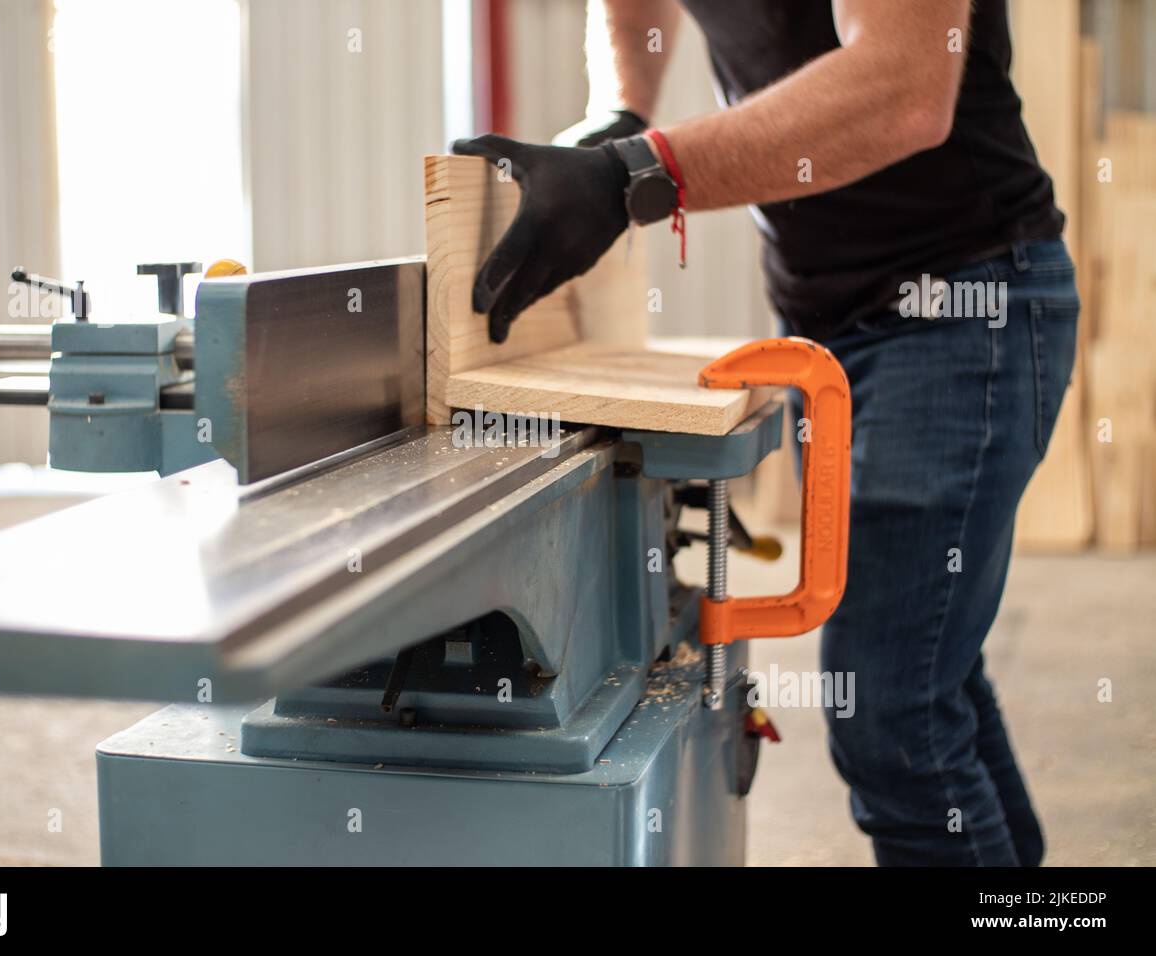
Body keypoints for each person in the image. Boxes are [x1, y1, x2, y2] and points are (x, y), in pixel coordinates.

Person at [455, 0, 1077, 866]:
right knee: (932, 673)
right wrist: (622, 109)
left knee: (894, 717)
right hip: (839, 322)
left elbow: (905, 88)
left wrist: (636, 173)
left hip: (963, 304)